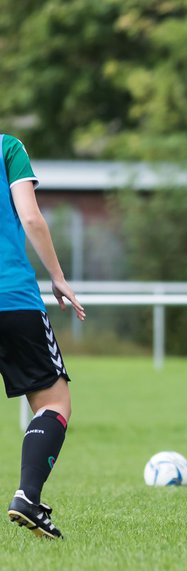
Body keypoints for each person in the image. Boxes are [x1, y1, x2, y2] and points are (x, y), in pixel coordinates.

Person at [2, 134, 85, 539]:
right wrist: (58, 276)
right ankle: (27, 497)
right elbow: (31, 218)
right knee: (53, 401)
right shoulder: (7, 148)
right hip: (11, 298)